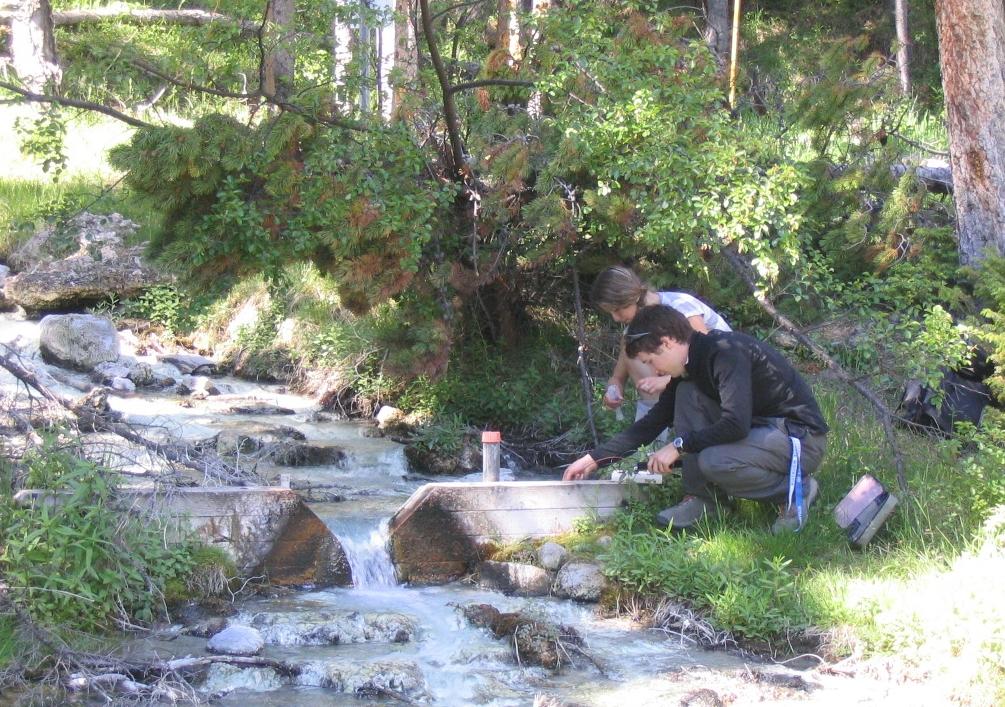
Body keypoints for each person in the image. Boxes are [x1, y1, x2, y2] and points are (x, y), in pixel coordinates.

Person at [563, 304, 829, 534]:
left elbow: (735, 424)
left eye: (651, 360)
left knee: (715, 461)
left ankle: (796, 492)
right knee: (689, 394)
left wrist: (679, 446)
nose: (654, 370)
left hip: (799, 439)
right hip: (763, 435)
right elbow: (651, 424)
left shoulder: (725, 352)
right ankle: (705, 502)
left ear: (667, 342)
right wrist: (593, 460)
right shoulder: (687, 368)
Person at [590, 265, 731, 423]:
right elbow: (618, 376)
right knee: (633, 350)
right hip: (685, 383)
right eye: (611, 313)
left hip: (723, 378)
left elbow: (706, 356)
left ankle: (672, 427)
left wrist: (666, 381)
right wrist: (613, 389)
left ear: (632, 297)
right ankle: (656, 428)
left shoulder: (680, 306)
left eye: (617, 310)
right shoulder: (635, 329)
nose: (616, 318)